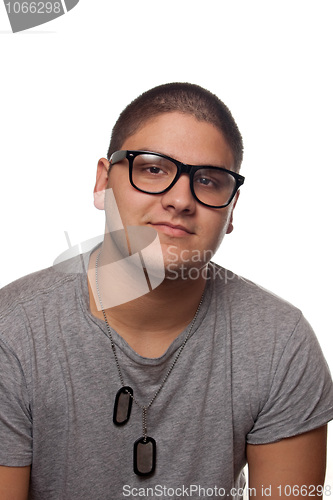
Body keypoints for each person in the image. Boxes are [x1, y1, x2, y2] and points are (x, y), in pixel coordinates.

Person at [0, 82, 332, 500]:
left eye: (209, 181)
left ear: (231, 209)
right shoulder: (12, 334)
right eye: (154, 168)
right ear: (103, 183)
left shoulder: (279, 342)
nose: (180, 200)